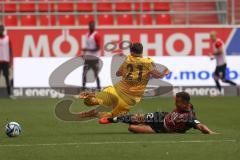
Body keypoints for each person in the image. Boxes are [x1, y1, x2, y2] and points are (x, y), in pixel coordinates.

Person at [75, 42, 169, 118]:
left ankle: (90, 96)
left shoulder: (127, 59)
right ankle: (94, 113)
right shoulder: (148, 62)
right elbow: (158, 75)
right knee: (112, 117)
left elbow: (118, 73)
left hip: (116, 90)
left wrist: (129, 72)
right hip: (129, 98)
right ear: (142, 51)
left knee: (91, 101)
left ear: (131, 51)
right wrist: (164, 73)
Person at [99, 92, 217, 134]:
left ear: (185, 103)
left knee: (132, 128)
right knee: (136, 118)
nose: (176, 104)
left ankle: (142, 125)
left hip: (161, 128)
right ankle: (111, 119)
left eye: (178, 102)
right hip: (161, 117)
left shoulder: (189, 117)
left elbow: (200, 126)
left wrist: (210, 132)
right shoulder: (187, 105)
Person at [82, 21, 101, 90]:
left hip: (94, 58)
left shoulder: (96, 35)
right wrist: (84, 54)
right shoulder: (87, 35)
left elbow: (98, 48)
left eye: (93, 26)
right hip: (88, 58)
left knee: (95, 74)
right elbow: (87, 46)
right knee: (84, 73)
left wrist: (87, 49)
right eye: (91, 26)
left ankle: (99, 88)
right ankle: (83, 88)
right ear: (89, 26)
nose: (92, 27)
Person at [0, 25, 12, 96]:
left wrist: (10, 61)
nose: (1, 31)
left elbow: (10, 50)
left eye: (1, 30)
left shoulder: (7, 38)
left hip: (5, 61)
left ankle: (9, 93)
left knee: (7, 77)